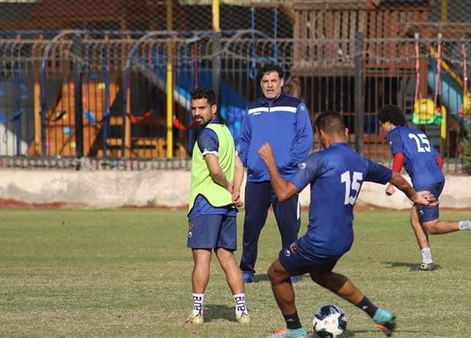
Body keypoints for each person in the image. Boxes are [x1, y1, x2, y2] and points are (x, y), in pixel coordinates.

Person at [259, 111, 438, 338]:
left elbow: (284, 194)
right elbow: (395, 177)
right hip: (343, 239)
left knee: (276, 273)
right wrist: (414, 196)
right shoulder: (360, 161)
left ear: (321, 134)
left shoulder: (320, 159)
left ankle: (295, 330)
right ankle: (377, 314)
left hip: (319, 240)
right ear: (345, 132)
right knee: (320, 274)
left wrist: (269, 161)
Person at [377, 105, 471, 271]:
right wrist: (433, 177)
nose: (381, 128)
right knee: (415, 218)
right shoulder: (417, 133)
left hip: (424, 182)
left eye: (381, 124)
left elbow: (398, 157)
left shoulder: (394, 134)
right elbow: (439, 159)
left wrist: (392, 182)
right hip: (437, 178)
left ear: (389, 123)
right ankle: (427, 261)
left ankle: (469, 224)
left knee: (431, 226)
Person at [238, 64, 314, 284]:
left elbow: (305, 139)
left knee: (289, 227)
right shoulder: (252, 108)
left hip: (286, 178)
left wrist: (287, 162)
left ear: (281, 82)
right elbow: (244, 139)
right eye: (265, 82)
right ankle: (247, 269)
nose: (269, 85)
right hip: (257, 178)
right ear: (261, 84)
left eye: (273, 81)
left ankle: (292, 268)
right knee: (251, 226)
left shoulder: (295, 106)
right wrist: (248, 161)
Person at [185, 88, 250, 325]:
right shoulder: (226, 132)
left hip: (206, 204)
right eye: (194, 108)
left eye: (202, 108)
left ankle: (197, 312)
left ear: (213, 108)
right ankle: (242, 311)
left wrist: (228, 184)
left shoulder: (206, 135)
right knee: (228, 259)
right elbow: (239, 164)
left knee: (202, 260)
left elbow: (214, 169)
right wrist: (235, 190)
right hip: (226, 206)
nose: (197, 113)